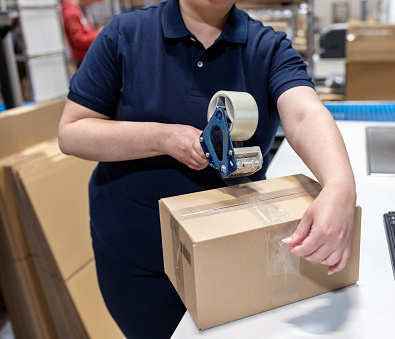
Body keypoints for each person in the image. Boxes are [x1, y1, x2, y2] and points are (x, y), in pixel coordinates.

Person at [57, 0, 356, 337]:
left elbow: (305, 115)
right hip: (138, 257)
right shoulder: (126, 35)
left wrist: (340, 185)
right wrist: (164, 138)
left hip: (230, 252)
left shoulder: (267, 48)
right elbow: (72, 133)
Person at [61, 0, 103, 67]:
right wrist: (99, 34)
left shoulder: (79, 8)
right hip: (83, 59)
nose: (91, 4)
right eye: (92, 2)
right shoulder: (71, 12)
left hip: (88, 56)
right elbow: (79, 39)